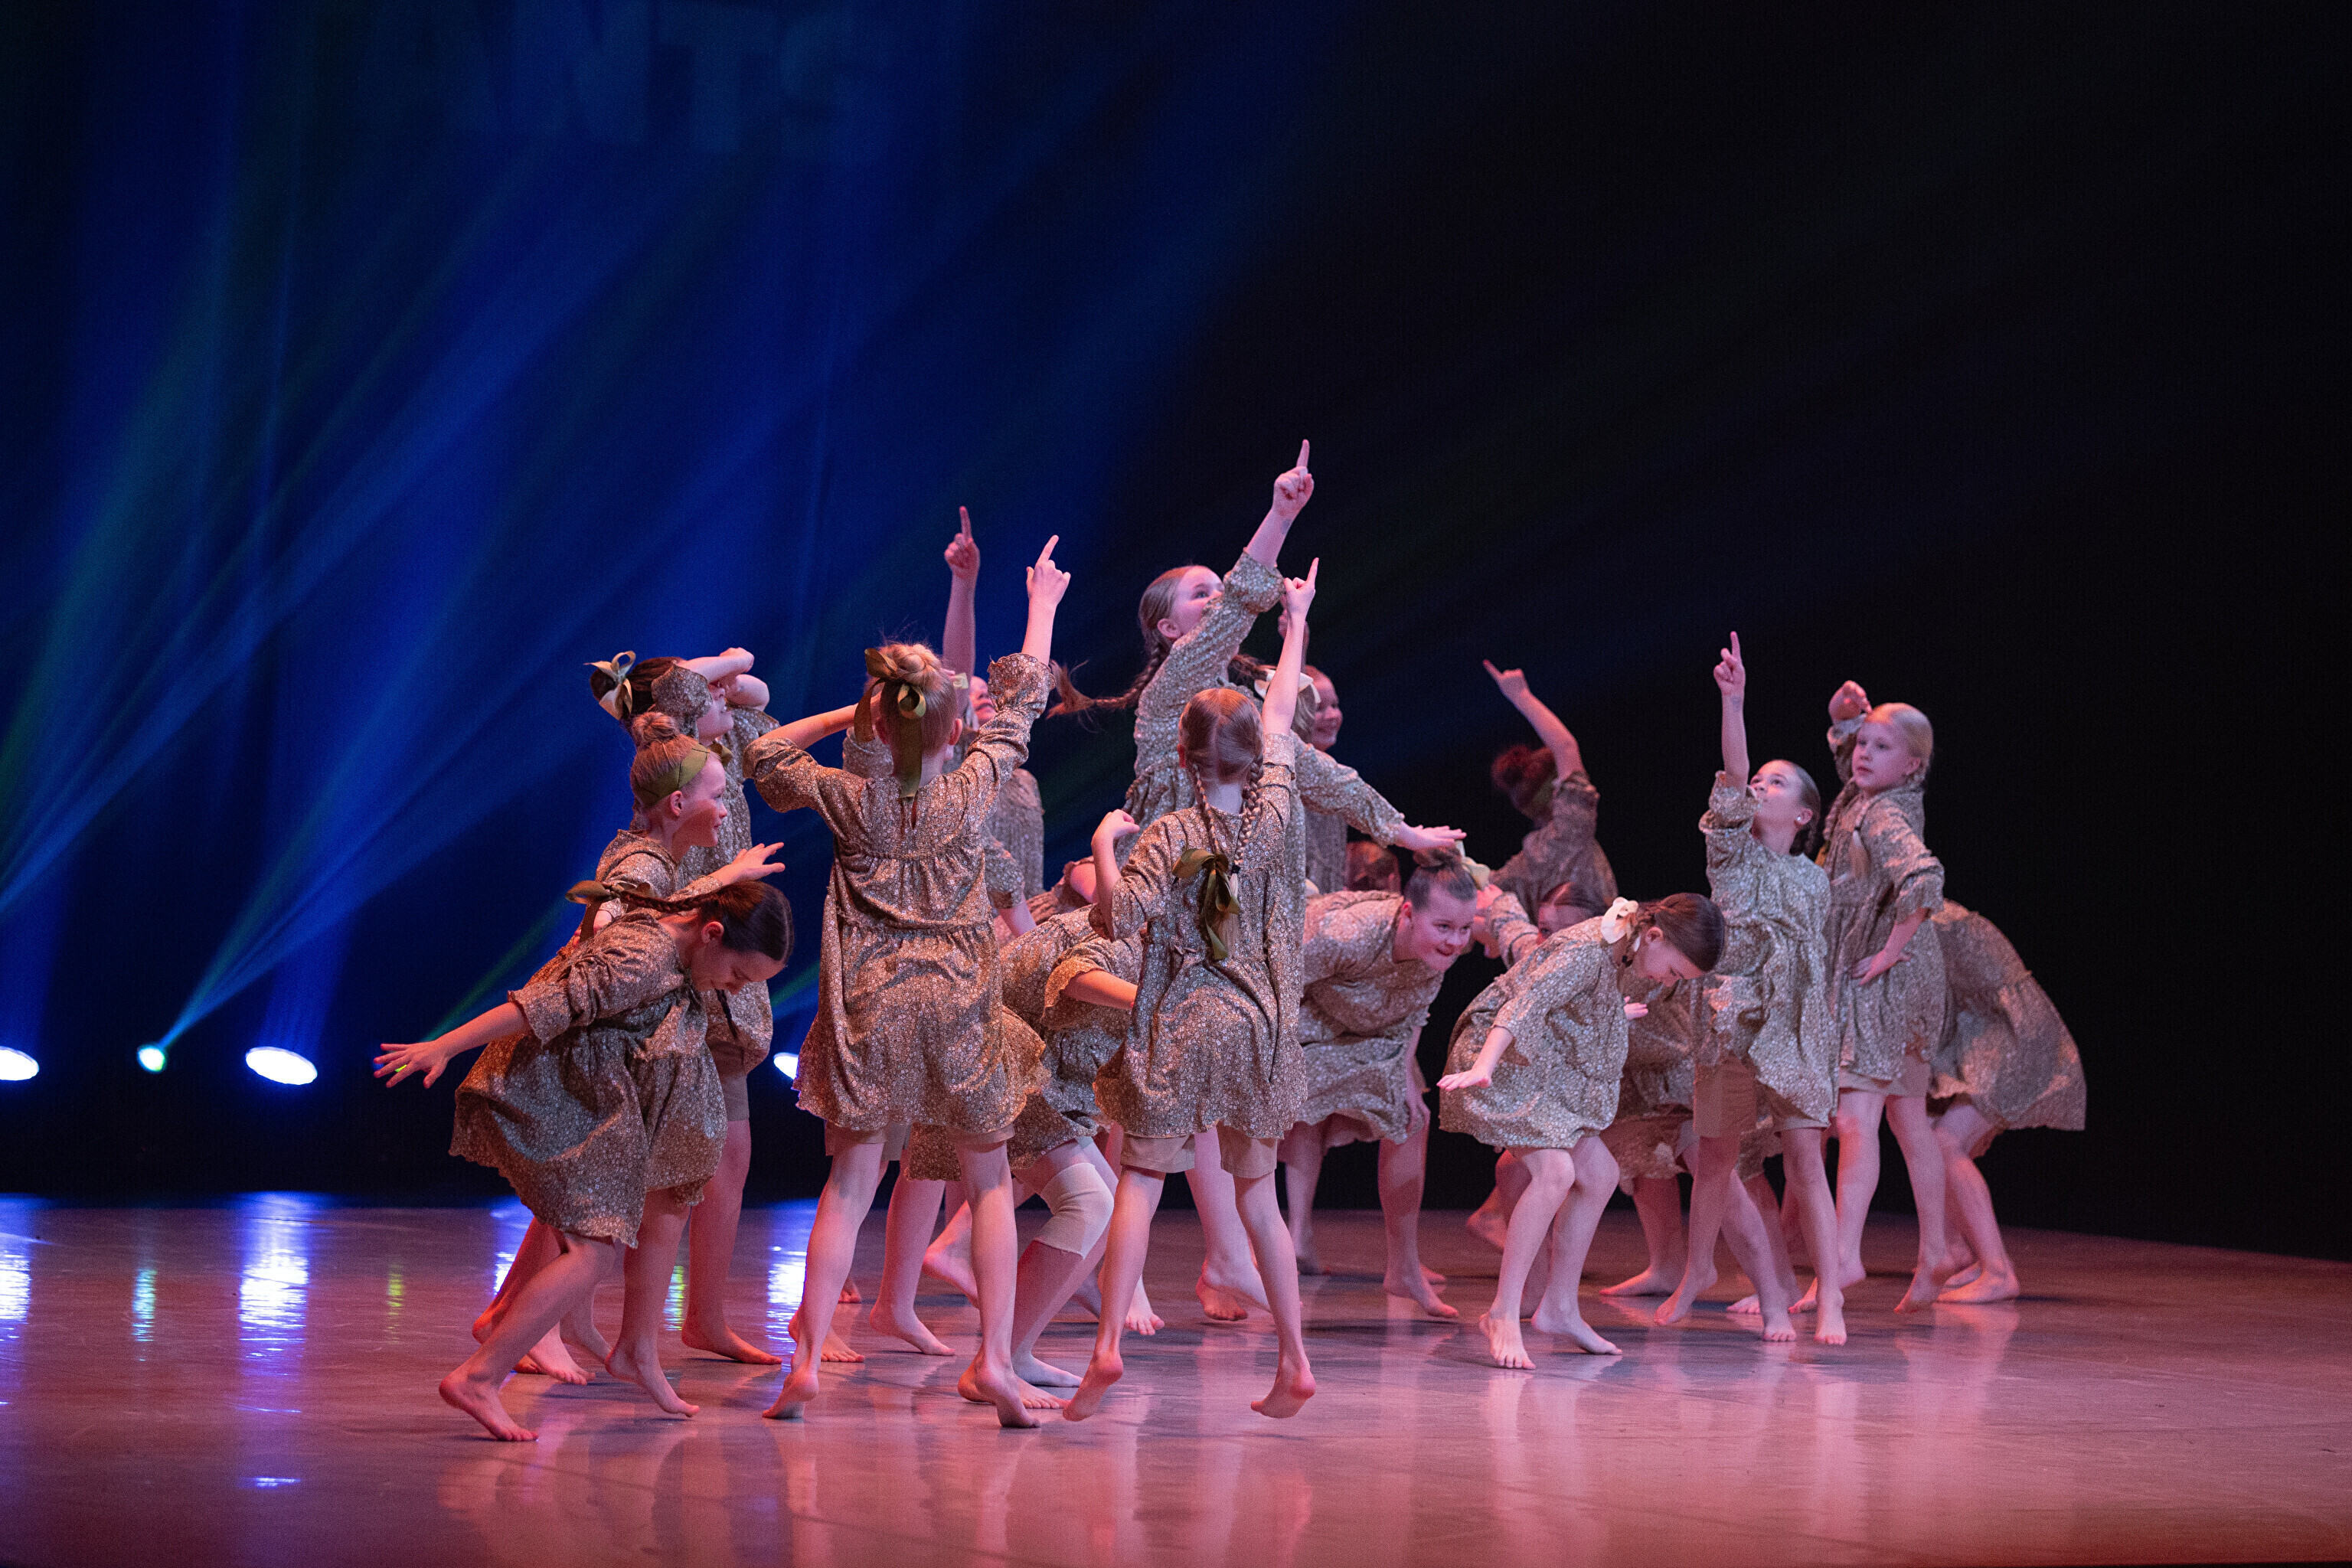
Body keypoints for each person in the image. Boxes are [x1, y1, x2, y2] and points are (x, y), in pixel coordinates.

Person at [745, 535, 1071, 1428]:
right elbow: (1022, 701)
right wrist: (1042, 605)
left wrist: (846, 714)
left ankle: (808, 1356)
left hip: (873, 1003)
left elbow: (764, 755)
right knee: (990, 1181)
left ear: (878, 725)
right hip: (959, 1003)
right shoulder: (974, 786)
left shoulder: (852, 797)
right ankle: (994, 1361)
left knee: (851, 1183)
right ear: (954, 729)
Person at [377, 883, 791, 1439]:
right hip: (572, 1111)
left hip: (608, 1116)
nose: (735, 989)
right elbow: (539, 1006)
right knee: (591, 1255)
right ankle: (478, 1377)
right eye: (738, 975)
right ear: (712, 934)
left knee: (600, 1249)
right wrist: (445, 1045)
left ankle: (614, 1354)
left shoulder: (683, 944)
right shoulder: (644, 958)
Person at [1062, 560, 1325, 1422]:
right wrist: (1295, 622)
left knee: (1141, 1177)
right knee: (1259, 1199)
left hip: (1182, 1016)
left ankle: (1107, 1345)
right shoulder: (1275, 811)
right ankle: (1293, 1359)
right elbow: (1278, 714)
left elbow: (1113, 921)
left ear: (1181, 756)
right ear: (1253, 757)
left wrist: (1104, 846)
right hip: (1258, 1022)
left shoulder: (1169, 831)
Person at [1439, 893, 1723, 1367]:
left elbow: (1576, 1002)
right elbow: (1525, 1005)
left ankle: (1560, 1307)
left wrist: (1612, 1015)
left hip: (1541, 1059)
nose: (1667, 981)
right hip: (1504, 1056)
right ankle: (1504, 1313)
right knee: (1555, 1173)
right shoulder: (1588, 948)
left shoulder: (1624, 946)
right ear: (1654, 936)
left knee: (1601, 1173)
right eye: (1674, 971)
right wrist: (1485, 1065)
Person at [1656, 634, 1842, 1344]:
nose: (1761, 786)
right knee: (1716, 1158)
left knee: (1805, 1163)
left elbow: (1818, 965)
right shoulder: (1732, 853)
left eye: (1777, 783)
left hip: (1795, 1028)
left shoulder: (1814, 880)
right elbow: (1732, 777)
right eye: (1760, 779)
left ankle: (1830, 1298)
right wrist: (1733, 701)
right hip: (1732, 1019)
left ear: (1804, 815)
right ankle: (1698, 1269)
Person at [1276, 852, 1485, 1318]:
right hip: (1305, 1023)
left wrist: (1405, 1075)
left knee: (1411, 1117)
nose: (1455, 941)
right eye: (1444, 927)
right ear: (1408, 913)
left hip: (1374, 1033)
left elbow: (1414, 1012)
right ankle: (1249, 1256)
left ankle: (1404, 1267)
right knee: (1277, 1108)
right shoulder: (1348, 933)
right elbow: (1276, 982)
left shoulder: (1438, 951)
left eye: (1464, 929)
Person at [1817, 681, 1953, 1312]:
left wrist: (1888, 953)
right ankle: (1937, 1250)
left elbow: (1923, 877)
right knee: (1906, 1116)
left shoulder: (1882, 814)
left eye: (1881, 747)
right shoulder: (1868, 797)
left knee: (1856, 1118)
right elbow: (1850, 762)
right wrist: (1844, 717)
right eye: (1862, 744)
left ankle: (1844, 1255)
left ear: (1913, 764)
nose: (1863, 755)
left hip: (1886, 977)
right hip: (1906, 974)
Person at [1482, 662, 1618, 918]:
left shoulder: (1522, 866)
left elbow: (1482, 887)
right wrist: (1521, 696)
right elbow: (1565, 747)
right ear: (1557, 792)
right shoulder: (1571, 831)